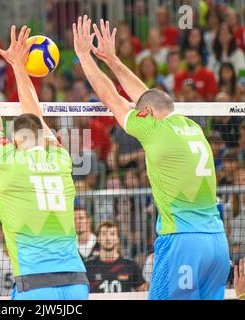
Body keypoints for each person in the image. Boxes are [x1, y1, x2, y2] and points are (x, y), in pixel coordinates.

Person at [73, 16, 229, 300]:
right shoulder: (189, 124)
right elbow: (146, 97)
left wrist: (85, 56)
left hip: (183, 242)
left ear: (145, 114)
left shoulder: (153, 130)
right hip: (217, 243)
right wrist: (113, 59)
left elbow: (113, 100)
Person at [0, 12, 88, 300]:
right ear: (44, 137)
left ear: (15, 140)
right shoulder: (61, 159)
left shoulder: (6, 159)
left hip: (35, 281)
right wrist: (19, 68)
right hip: (77, 280)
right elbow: (37, 115)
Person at [85, 221, 147, 293]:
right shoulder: (88, 265)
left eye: (112, 234)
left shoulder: (130, 265)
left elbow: (143, 290)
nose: (108, 238)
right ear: (98, 238)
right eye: (104, 234)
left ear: (118, 239)